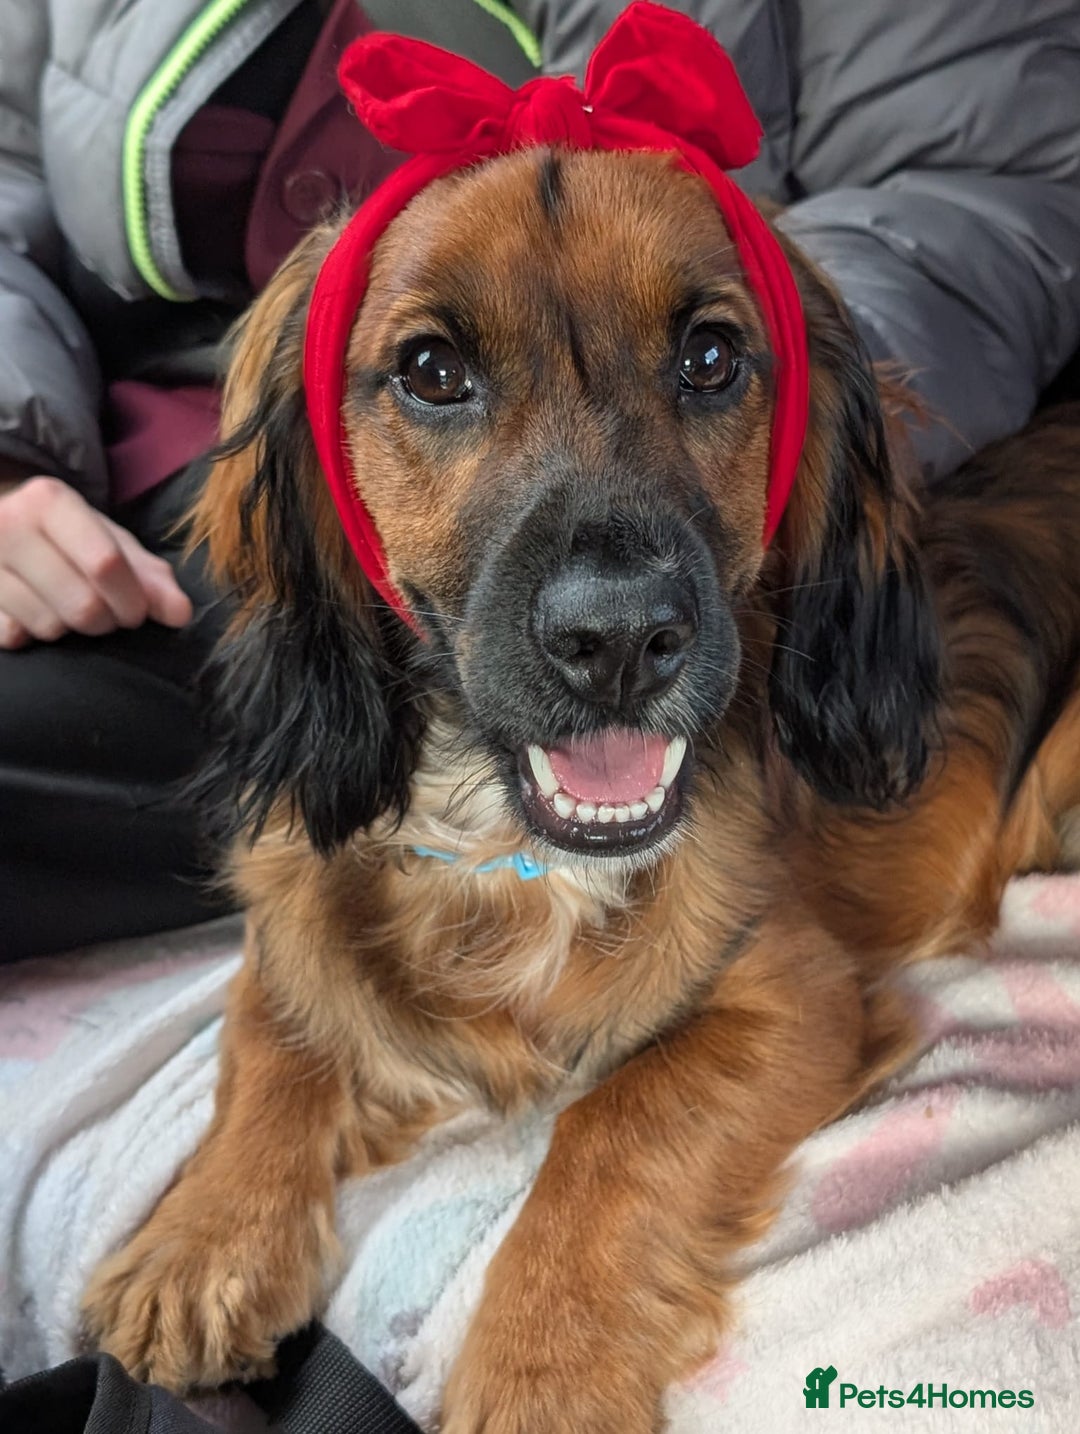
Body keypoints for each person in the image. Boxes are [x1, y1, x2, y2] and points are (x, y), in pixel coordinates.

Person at [1, 0, 1078, 962]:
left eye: (703, 353)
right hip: (193, 511)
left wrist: (776, 377)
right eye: (437, 364)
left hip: (709, 499)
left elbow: (994, 195)